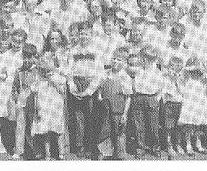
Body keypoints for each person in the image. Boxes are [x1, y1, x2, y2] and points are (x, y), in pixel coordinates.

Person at [67, 21, 102, 158]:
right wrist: (71, 84)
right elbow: (69, 70)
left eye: (86, 34)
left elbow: (99, 72)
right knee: (78, 117)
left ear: (91, 35)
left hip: (90, 84)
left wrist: (90, 89)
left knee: (91, 117)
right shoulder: (73, 50)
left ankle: (90, 146)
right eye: (81, 34)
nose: (84, 36)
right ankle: (79, 146)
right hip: (77, 82)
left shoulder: (96, 50)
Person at [96, 46, 133, 159]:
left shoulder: (125, 77)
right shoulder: (105, 74)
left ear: (125, 63)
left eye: (119, 60)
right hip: (106, 108)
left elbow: (128, 97)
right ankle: (105, 152)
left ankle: (120, 153)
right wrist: (100, 97)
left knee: (119, 131)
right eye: (114, 59)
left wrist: (125, 114)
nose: (115, 61)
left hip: (119, 109)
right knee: (105, 129)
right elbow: (100, 89)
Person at [131, 44, 165, 157]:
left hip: (151, 98)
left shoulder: (157, 72)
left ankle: (155, 147)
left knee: (153, 125)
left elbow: (160, 87)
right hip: (139, 98)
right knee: (139, 125)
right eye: (143, 57)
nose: (145, 60)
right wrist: (136, 95)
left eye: (148, 58)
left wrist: (156, 99)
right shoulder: (138, 70)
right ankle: (140, 147)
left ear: (153, 59)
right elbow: (134, 84)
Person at [32, 53, 67, 160]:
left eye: (49, 62)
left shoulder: (59, 77)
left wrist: (53, 81)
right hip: (44, 107)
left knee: (58, 130)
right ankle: (47, 153)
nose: (46, 64)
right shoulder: (38, 77)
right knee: (45, 131)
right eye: (44, 61)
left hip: (55, 107)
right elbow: (35, 92)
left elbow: (63, 92)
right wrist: (37, 107)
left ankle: (61, 153)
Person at [178, 57, 207, 155]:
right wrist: (187, 69)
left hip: (200, 104)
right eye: (193, 70)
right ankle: (188, 145)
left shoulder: (202, 80)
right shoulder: (186, 79)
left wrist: (203, 71)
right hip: (189, 104)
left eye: (197, 70)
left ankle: (198, 144)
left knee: (198, 126)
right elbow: (181, 89)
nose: (195, 72)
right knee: (189, 126)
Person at [10, 43, 39, 160]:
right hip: (22, 103)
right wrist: (16, 97)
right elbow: (14, 87)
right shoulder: (19, 72)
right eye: (25, 57)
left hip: (35, 103)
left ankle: (36, 149)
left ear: (34, 57)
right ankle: (18, 150)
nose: (27, 60)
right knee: (20, 126)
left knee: (34, 127)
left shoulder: (38, 72)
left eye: (30, 57)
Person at [160, 55, 185, 157]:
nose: (173, 70)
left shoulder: (181, 79)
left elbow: (183, 92)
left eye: (176, 68)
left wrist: (176, 80)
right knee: (168, 126)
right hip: (169, 105)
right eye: (171, 67)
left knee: (179, 126)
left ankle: (178, 144)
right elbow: (163, 91)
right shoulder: (165, 78)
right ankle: (169, 145)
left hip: (179, 104)